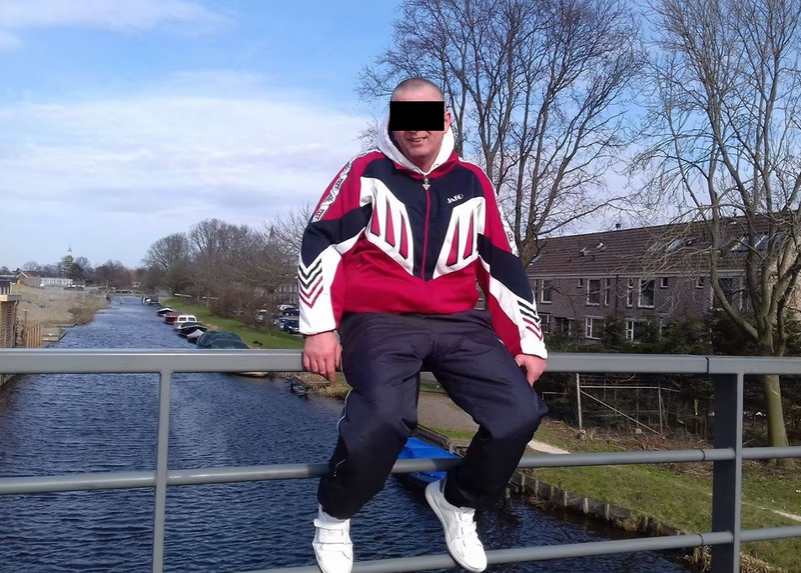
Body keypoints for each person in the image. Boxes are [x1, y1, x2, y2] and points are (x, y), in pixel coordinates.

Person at [297, 77, 549, 573]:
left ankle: (456, 501)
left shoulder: (473, 181)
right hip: (380, 320)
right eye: (404, 117)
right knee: (386, 417)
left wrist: (528, 341)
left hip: (459, 322)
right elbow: (321, 242)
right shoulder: (366, 172)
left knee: (519, 413)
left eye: (426, 117)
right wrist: (319, 327)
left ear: (446, 119)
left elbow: (502, 262)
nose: (416, 129)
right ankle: (334, 517)